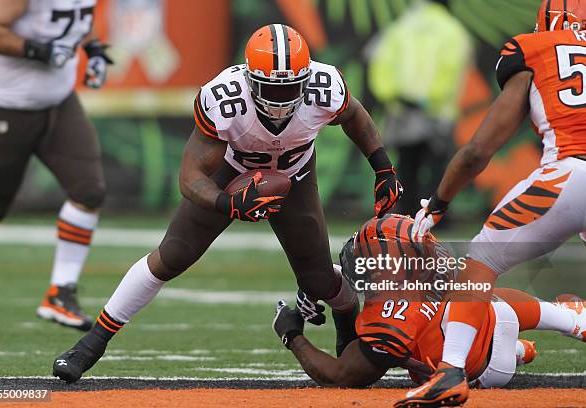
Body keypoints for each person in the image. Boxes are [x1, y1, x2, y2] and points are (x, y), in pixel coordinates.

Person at [51, 24, 404, 383]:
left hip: (295, 176)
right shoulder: (225, 99)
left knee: (316, 279)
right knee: (172, 255)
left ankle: (347, 324)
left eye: (290, 88)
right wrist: (227, 203)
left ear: (307, 78)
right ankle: (92, 343)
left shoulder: (324, 87)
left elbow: (355, 116)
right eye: (271, 89)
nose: (281, 100)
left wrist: (383, 168)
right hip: (231, 171)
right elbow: (190, 176)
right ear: (250, 81)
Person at [403, 1, 586, 406]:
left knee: (481, 259)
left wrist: (439, 201)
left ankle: (450, 372)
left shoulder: (534, 48)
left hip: (568, 175)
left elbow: (479, 148)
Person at [272, 214, 586, 394]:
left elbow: (342, 373)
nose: (363, 261)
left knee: (471, 307)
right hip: (490, 334)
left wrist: (292, 336)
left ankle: (529, 343)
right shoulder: (428, 267)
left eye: (371, 255)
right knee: (476, 298)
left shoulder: (392, 311)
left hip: (474, 372)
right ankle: (568, 320)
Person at [0, 0, 112, 332]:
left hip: (58, 102)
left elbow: (75, 20)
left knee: (89, 189)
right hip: (4, 104)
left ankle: (61, 292)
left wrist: (94, 49)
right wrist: (37, 51)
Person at [368, 0, 471, 216]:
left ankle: (406, 213)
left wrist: (392, 95)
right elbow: (453, 69)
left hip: (402, 109)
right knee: (439, 168)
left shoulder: (401, 26)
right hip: (438, 111)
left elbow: (380, 62)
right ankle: (438, 215)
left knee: (407, 165)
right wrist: (431, 98)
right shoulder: (453, 30)